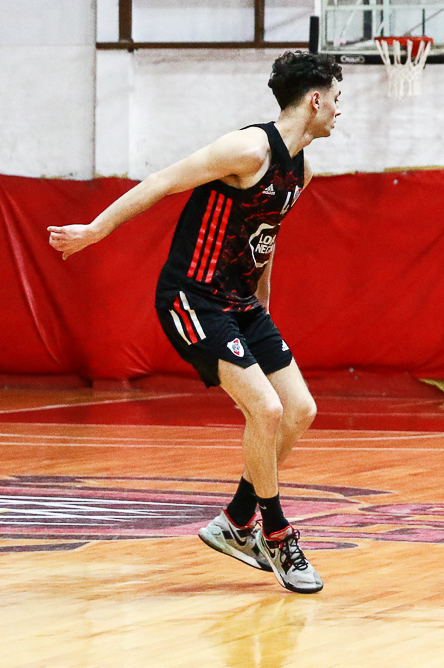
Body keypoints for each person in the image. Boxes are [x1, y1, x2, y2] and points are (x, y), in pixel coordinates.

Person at [47, 51, 342, 592]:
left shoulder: (301, 168)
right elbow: (163, 180)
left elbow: (264, 240)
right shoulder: (248, 148)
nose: (340, 113)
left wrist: (264, 308)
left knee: (300, 409)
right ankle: (275, 535)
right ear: (316, 99)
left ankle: (234, 521)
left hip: (241, 303)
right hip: (192, 296)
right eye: (338, 100)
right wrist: (94, 229)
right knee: (267, 409)